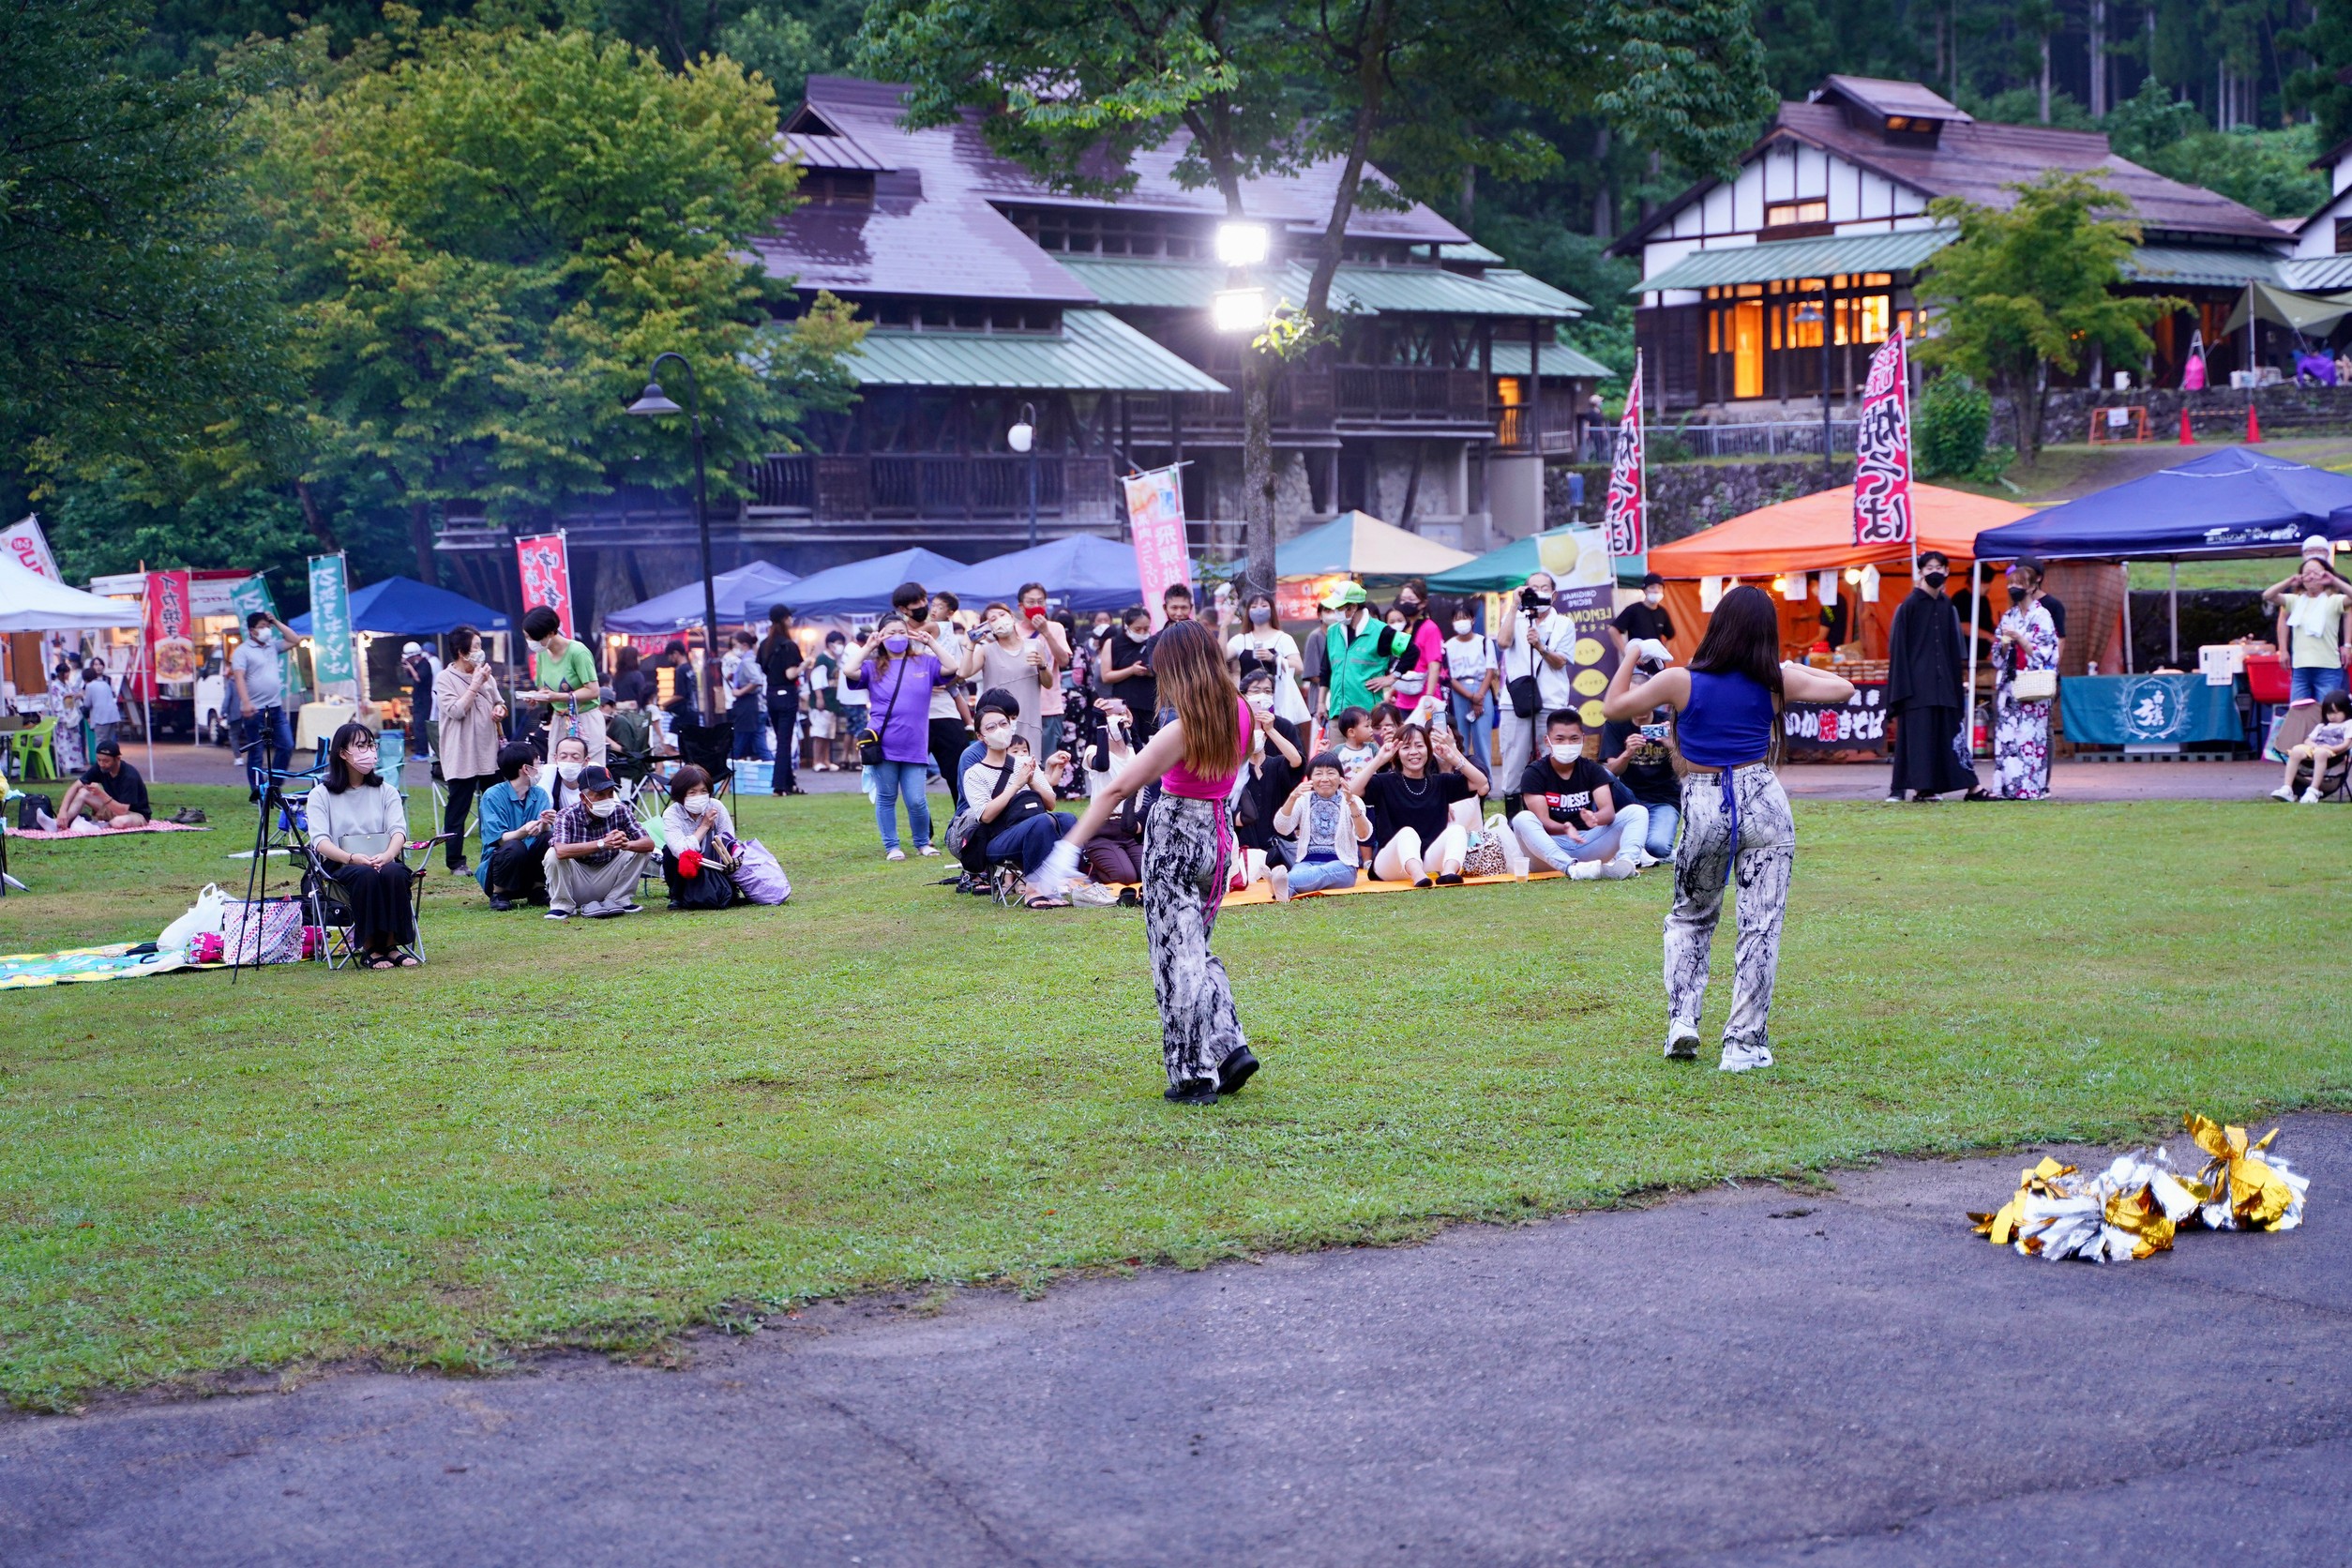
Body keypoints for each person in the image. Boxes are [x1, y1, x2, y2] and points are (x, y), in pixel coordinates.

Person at [1601, 586, 1855, 1072]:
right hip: (1764, 799)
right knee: (1761, 926)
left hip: (1705, 798)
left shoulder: (1681, 680)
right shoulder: (1774, 682)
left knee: (1690, 916)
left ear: (1717, 627)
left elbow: (1613, 707)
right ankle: (1742, 1043)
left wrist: (1632, 650)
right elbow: (1842, 689)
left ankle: (1683, 1021)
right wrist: (1793, 670)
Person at [1032, 619, 1259, 1105]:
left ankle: (1194, 1075)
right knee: (1195, 948)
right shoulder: (1241, 710)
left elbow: (1117, 788)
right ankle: (1230, 1046)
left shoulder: (1182, 727)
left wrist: (1068, 848)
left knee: (1174, 958)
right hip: (1219, 835)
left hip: (1176, 832)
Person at [305, 722, 419, 967]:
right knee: (365, 875)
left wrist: (389, 854)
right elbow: (320, 841)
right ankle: (370, 948)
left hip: (383, 857)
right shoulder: (321, 794)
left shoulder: (386, 791)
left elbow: (398, 830)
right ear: (343, 753)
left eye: (371, 745)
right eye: (361, 746)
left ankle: (391, 944)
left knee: (395, 873)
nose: (369, 751)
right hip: (342, 865)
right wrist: (351, 857)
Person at [1885, 550, 1979, 803]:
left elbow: (1952, 648)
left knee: (1941, 737)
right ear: (1921, 572)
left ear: (1947, 571)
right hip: (1916, 685)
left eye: (1939, 567)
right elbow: (1899, 648)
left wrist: (1955, 685)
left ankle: (1926, 789)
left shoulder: (1947, 605)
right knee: (1915, 738)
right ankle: (1899, 788)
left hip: (1943, 684)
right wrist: (1901, 688)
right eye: (1929, 568)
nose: (1934, 571)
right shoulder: (1910, 605)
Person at [1511, 711, 1649, 879]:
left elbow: (1608, 812)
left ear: (1583, 739)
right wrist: (1564, 828)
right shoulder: (1534, 772)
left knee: (1637, 812)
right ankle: (1572, 869)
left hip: (1587, 843)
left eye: (1574, 739)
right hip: (1548, 852)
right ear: (1548, 741)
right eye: (1560, 739)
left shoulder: (1593, 770)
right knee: (1522, 818)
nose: (1567, 744)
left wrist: (1595, 817)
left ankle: (1625, 864)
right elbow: (1543, 821)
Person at [962, 707, 1078, 907]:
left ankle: (1075, 880)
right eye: (992, 727)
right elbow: (986, 816)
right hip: (999, 841)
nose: (1000, 730)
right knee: (1040, 822)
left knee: (1068, 819)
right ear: (981, 736)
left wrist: (1031, 781)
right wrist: (1016, 784)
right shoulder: (975, 773)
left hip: (1038, 830)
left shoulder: (1025, 762)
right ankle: (1033, 892)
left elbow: (1050, 803)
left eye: (1003, 724)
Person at [1350, 722, 1488, 885]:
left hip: (1427, 860)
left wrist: (1454, 757)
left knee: (1457, 830)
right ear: (1397, 752)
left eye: (1419, 746)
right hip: (1390, 864)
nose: (1414, 752)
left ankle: (1449, 873)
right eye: (1406, 747)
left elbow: (1481, 783)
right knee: (1407, 833)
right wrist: (1379, 760)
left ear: (1428, 750)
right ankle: (1418, 876)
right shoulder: (1384, 782)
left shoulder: (1440, 782)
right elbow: (1352, 792)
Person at [859, 607, 944, 861]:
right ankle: (892, 846)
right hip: (882, 744)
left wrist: (931, 643)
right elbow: (849, 671)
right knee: (886, 797)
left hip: (915, 744)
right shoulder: (873, 666)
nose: (897, 636)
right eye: (891, 632)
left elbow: (954, 668)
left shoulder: (925, 662)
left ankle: (923, 843)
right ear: (881, 636)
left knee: (917, 800)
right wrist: (869, 646)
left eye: (902, 631)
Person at [1493, 570, 1577, 804]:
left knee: (1554, 758)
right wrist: (1513, 607)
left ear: (1554, 594)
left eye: (1545, 589)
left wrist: (1540, 645)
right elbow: (1502, 642)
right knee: (1513, 760)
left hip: (1552, 701)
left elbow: (1561, 661)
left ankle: (1554, 810)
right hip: (1516, 703)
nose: (1539, 593)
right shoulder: (1515, 618)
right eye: (1534, 589)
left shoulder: (1563, 624)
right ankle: (1513, 817)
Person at [431, 625, 507, 876]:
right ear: (462, 652)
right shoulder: (445, 678)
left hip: (488, 750)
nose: (480, 652)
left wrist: (500, 710)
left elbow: (499, 703)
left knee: (495, 803)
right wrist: (474, 684)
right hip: (461, 751)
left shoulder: (487, 675)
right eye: (475, 647)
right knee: (458, 808)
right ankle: (455, 862)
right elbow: (455, 711)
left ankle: (497, 852)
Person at [544, 763, 655, 919]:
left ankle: (618, 899)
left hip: (609, 876)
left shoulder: (620, 810)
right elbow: (561, 850)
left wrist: (626, 844)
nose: (607, 799)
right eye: (600, 794)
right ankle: (563, 905)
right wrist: (602, 844)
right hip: (577, 879)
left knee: (641, 850)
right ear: (583, 798)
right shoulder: (567, 815)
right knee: (552, 854)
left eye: (610, 793)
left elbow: (649, 843)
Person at [1990, 558, 2060, 801]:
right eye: (2010, 584)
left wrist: (2021, 639)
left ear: (2031, 586)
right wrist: (2003, 645)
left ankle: (2031, 787)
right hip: (2009, 685)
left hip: (2031, 683)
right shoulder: (2008, 616)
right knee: (2007, 737)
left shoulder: (2042, 616)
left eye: (2019, 583)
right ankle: (2006, 786)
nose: (2014, 588)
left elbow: (2046, 653)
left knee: (2031, 736)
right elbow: (1997, 653)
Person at [1234, 670, 1305, 886]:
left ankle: (1275, 874)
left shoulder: (1276, 761)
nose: (1262, 695)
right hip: (1243, 839)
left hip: (1277, 836)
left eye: (1268, 691)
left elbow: (1296, 760)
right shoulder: (1236, 766)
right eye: (1256, 691)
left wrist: (1270, 730)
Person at [1269, 752, 1372, 900]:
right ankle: (1284, 891)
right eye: (1318, 773)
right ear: (1311, 778)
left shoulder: (1352, 800)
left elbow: (1364, 834)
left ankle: (1277, 882)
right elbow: (1282, 828)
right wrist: (1292, 797)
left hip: (1343, 866)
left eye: (1330, 773)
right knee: (1300, 874)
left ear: (1340, 778)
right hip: (1306, 862)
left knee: (1320, 872)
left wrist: (1352, 803)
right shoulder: (1303, 799)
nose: (1325, 779)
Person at [2261, 546, 2352, 703]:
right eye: (2307, 573)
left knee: (2327, 711)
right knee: (2298, 711)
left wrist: (2333, 579)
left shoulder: (2333, 600)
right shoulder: (2294, 600)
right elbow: (2268, 595)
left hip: (2328, 667)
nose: (2311, 577)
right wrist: (2290, 581)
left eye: (2316, 573)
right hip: (2301, 667)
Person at [519, 606, 604, 764]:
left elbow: (593, 691)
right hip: (558, 720)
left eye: (533, 638)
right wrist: (537, 697)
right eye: (527, 637)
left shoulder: (578, 652)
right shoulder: (542, 653)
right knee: (556, 767)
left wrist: (559, 697)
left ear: (551, 632)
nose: (530, 642)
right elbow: (544, 689)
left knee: (589, 770)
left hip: (585, 719)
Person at [476, 741, 555, 910]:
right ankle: (499, 893)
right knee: (514, 846)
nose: (540, 768)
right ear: (526, 769)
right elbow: (499, 840)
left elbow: (543, 831)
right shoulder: (493, 796)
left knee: (548, 838)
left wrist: (546, 824)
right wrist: (524, 830)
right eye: (537, 763)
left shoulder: (539, 794)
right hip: (500, 867)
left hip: (528, 863)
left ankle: (537, 889)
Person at [1600, 702, 1681, 865]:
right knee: (1602, 775)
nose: (1639, 708)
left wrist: (1673, 746)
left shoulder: (1669, 722)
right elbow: (1612, 772)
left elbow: (1684, 770)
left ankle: (1637, 848)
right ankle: (1635, 847)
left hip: (1664, 800)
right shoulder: (1616, 723)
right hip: (1629, 799)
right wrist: (1627, 753)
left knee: (1658, 848)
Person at [968, 600, 1050, 755]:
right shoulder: (987, 651)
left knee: (1029, 765)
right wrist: (971, 644)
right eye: (992, 619)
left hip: (1029, 719)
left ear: (1012, 617)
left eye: (1002, 615)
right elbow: (964, 673)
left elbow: (1048, 683)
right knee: (999, 767)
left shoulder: (1034, 645)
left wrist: (1042, 665)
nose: (999, 620)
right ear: (987, 627)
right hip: (997, 723)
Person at [231, 609, 297, 798]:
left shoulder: (272, 647)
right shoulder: (242, 651)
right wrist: (245, 702)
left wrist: (275, 621)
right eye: (262, 627)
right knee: (257, 751)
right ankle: (258, 791)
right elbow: (239, 677)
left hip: (275, 707)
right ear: (252, 631)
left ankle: (273, 786)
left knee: (286, 745)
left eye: (267, 627)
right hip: (255, 709)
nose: (266, 630)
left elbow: (295, 640)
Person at [659, 764, 741, 909]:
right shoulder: (672, 813)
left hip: (714, 862)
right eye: (692, 792)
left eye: (704, 791)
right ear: (681, 794)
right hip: (687, 866)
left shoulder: (716, 807)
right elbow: (679, 850)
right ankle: (677, 895)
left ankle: (727, 891)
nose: (699, 797)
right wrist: (704, 826)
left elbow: (729, 840)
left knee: (732, 852)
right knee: (669, 852)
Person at [920, 590, 973, 806]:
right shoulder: (945, 631)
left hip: (943, 711)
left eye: (939, 606)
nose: (933, 609)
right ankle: (962, 824)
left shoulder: (937, 628)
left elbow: (959, 673)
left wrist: (938, 683)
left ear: (950, 612)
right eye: (932, 605)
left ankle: (961, 826)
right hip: (931, 712)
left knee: (954, 774)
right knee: (955, 775)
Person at [1227, 590, 1308, 727]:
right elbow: (1221, 656)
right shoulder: (1241, 640)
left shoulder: (1283, 638)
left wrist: (1274, 658)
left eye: (1264, 606)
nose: (1259, 610)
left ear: (1272, 610)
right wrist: (1224, 628)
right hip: (1249, 699)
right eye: (1254, 607)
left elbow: (1299, 668)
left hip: (1277, 699)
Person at [1321, 581, 1400, 717]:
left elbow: (1412, 651)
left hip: (1368, 715)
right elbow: (1326, 670)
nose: (1336, 612)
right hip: (1337, 714)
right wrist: (1320, 703)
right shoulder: (1333, 631)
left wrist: (1392, 677)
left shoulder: (1380, 630)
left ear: (1353, 607)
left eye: (1339, 608)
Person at [1017, 582, 1074, 758]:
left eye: (1040, 602)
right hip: (1019, 708)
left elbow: (1064, 661)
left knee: (1048, 761)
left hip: (1048, 708)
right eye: (1031, 602)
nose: (1036, 607)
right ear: (1021, 606)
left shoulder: (1055, 628)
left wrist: (1046, 633)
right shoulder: (1012, 631)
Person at [1442, 603, 1499, 776]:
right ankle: (1463, 780)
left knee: (1482, 739)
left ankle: (1485, 781)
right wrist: (1470, 696)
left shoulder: (1484, 642)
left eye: (1464, 618)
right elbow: (1449, 676)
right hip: (1459, 691)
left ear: (1473, 619)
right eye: (1457, 618)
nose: (1461, 622)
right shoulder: (1449, 645)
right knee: (1461, 739)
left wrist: (1479, 696)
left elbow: (1490, 670)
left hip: (1482, 688)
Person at [51, 739, 151, 831]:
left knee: (119, 822)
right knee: (83, 792)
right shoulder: (100, 767)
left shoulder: (129, 776)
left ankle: (93, 827)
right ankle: (60, 823)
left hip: (135, 814)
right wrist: (62, 811)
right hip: (113, 809)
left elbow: (123, 811)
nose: (102, 764)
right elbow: (75, 786)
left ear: (118, 759)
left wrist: (100, 794)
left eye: (106, 761)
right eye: (99, 760)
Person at [757, 604, 805, 794]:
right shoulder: (789, 645)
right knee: (784, 741)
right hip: (787, 695)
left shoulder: (764, 645)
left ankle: (789, 783)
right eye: (790, 617)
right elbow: (791, 673)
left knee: (781, 738)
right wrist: (806, 664)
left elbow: (763, 669)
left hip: (771, 695)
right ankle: (779, 785)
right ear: (785, 619)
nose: (792, 620)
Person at [1384, 579, 1447, 722]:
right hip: (1403, 698)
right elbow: (1400, 662)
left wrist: (1429, 697)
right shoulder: (1404, 629)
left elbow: (1434, 665)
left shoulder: (1430, 628)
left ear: (1423, 603)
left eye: (1411, 599)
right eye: (1403, 599)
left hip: (1425, 698)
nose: (1406, 603)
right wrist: (1393, 691)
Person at [2273, 690, 2352, 801]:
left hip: (2333, 752)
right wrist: (2314, 746)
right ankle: (2287, 788)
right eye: (2329, 713)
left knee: (2320, 753)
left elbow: (2347, 744)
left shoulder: (2348, 724)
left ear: (2346, 711)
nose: (2333, 716)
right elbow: (2308, 740)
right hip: (2315, 748)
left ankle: (2314, 790)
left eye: (2337, 712)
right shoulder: (2321, 726)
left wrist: (2331, 748)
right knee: (2295, 750)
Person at [1103, 605, 1158, 741]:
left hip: (1150, 704)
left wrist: (1150, 672)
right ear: (1126, 626)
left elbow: (1163, 669)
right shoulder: (1113, 643)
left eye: (1146, 629)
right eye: (1137, 629)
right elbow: (1106, 676)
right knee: (1127, 743)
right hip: (1124, 704)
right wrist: (1131, 670)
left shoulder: (1153, 642)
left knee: (1149, 743)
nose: (1142, 633)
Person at [721, 629, 766, 761]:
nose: (734, 648)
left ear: (744, 645)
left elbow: (757, 680)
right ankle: (775, 771)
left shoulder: (747, 660)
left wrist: (740, 691)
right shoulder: (752, 659)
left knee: (738, 743)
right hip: (757, 706)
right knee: (760, 744)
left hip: (748, 706)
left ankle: (727, 771)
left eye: (735, 645)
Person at [808, 629, 847, 772]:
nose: (840, 646)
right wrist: (819, 697)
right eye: (838, 643)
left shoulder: (835, 660)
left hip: (832, 702)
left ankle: (826, 760)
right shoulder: (822, 659)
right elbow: (816, 679)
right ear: (830, 644)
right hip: (822, 702)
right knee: (819, 733)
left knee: (828, 734)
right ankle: (816, 761)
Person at [1613, 574, 1675, 646]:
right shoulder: (1633, 609)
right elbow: (1613, 630)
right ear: (1644, 590)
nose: (1656, 591)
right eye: (1652, 587)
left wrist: (1665, 654)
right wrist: (1625, 652)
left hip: (1656, 656)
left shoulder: (1662, 612)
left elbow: (1671, 635)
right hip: (1637, 655)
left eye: (1660, 587)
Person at [400, 641, 436, 758]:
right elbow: (412, 676)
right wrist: (407, 667)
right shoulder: (418, 665)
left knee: (421, 725)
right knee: (417, 724)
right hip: (418, 699)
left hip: (425, 700)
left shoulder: (425, 664)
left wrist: (410, 667)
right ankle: (420, 749)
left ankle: (423, 751)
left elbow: (419, 678)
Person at [1330, 705, 1380, 776]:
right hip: (1347, 787)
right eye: (1367, 726)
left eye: (1371, 726)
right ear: (1351, 732)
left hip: (1371, 787)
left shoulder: (1372, 748)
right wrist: (1323, 751)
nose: (1371, 730)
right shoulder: (1338, 751)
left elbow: (1386, 760)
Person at [83, 663, 121, 756]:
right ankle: (113, 761)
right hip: (113, 715)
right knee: (111, 740)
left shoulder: (90, 686)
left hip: (101, 717)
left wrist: (82, 696)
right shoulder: (104, 683)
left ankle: (101, 764)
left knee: (100, 740)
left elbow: (87, 704)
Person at [546, 733, 590, 814]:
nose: (568, 761)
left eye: (575, 757)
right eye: (563, 756)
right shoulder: (547, 775)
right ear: (556, 759)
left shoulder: (595, 778)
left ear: (586, 761)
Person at [611, 645, 654, 711]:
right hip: (633, 712)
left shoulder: (616, 676)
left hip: (618, 711)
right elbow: (641, 695)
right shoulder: (637, 675)